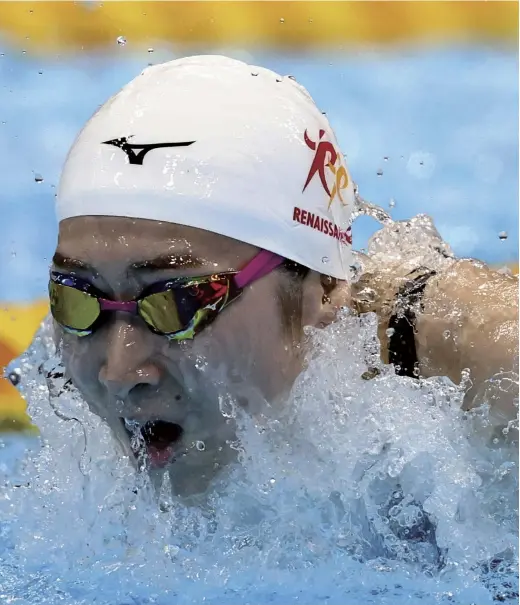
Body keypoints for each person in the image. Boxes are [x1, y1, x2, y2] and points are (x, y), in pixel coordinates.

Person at [49, 55, 518, 496]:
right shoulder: (61, 375)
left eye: (179, 302)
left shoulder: (485, 357)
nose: (119, 372)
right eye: (77, 297)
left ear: (325, 286)